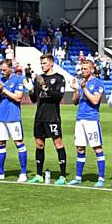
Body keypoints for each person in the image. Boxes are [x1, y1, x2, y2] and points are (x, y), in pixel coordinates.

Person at [26, 53, 68, 185]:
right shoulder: (39, 78)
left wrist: (46, 88)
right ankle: (39, 174)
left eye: (44, 63)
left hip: (52, 116)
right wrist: (31, 91)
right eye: (41, 63)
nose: (42, 66)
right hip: (40, 116)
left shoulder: (59, 78)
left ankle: (62, 176)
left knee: (58, 144)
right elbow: (34, 99)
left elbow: (58, 97)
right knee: (39, 144)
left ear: (51, 63)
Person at [0, 59, 28, 182]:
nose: (2, 72)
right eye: (1, 70)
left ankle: (23, 173)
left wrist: (4, 90)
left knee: (19, 143)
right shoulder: (1, 81)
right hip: (1, 117)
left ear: (11, 68)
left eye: (4, 70)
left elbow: (18, 97)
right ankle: (0, 172)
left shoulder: (19, 79)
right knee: (0, 144)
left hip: (13, 117)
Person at [68, 60, 106, 187]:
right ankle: (78, 177)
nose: (83, 71)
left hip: (91, 119)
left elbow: (95, 101)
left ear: (92, 69)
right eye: (82, 68)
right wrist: (76, 90)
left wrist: (83, 87)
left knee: (97, 148)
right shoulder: (81, 83)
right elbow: (74, 102)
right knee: (80, 148)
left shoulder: (98, 83)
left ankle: (101, 178)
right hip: (80, 119)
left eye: (85, 68)